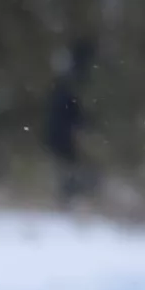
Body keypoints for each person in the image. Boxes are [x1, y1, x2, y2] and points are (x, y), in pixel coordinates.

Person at [45, 37, 98, 208]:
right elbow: (69, 110)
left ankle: (69, 198)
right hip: (62, 133)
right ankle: (70, 199)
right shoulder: (68, 86)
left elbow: (68, 110)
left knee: (69, 168)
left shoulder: (64, 86)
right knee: (70, 168)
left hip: (60, 132)